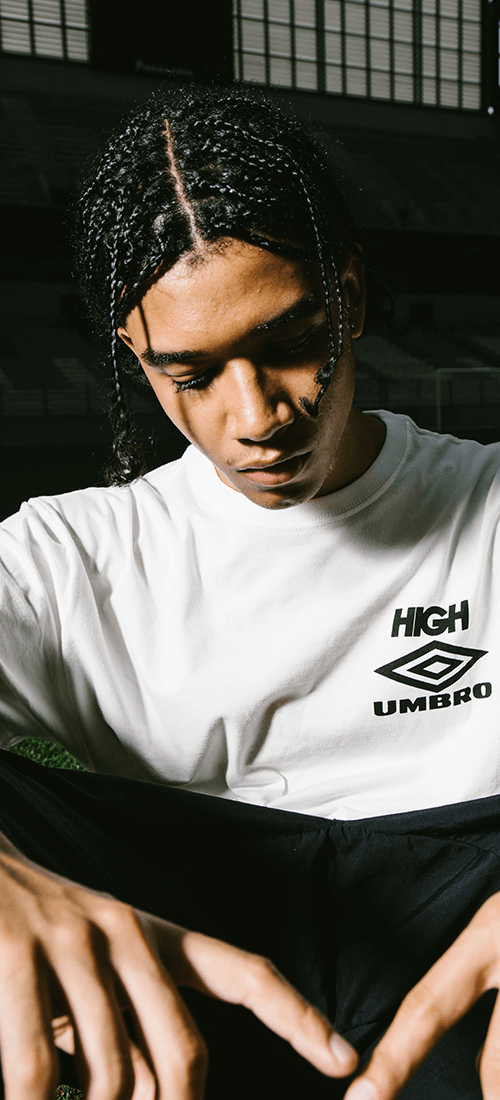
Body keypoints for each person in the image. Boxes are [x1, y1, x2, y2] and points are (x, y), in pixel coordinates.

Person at [1, 82, 500, 1100]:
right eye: (191, 374)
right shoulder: (69, 554)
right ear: (136, 356)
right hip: (188, 955)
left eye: (286, 344)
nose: (255, 415)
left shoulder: (487, 505)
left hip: (465, 942)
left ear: (349, 300)